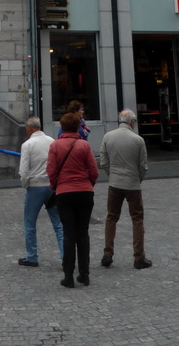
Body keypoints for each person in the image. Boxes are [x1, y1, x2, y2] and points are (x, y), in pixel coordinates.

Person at [47, 111, 99, 288]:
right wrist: (88, 184)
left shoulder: (55, 146)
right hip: (84, 191)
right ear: (77, 126)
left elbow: (51, 171)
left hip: (64, 192)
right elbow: (94, 171)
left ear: (62, 127)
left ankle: (68, 275)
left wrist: (56, 186)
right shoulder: (84, 146)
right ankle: (84, 274)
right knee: (83, 234)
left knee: (69, 234)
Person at [99, 109, 152, 270]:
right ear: (132, 122)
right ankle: (139, 256)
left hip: (114, 183)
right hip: (133, 185)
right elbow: (143, 166)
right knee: (137, 219)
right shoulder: (138, 140)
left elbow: (103, 161)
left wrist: (112, 175)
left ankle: (107, 253)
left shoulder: (108, 137)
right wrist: (138, 179)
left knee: (111, 217)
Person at [17, 116, 64, 268]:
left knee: (30, 222)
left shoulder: (27, 145)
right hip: (51, 186)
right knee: (58, 223)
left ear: (29, 128)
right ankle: (65, 256)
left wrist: (26, 184)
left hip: (35, 186)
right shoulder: (52, 141)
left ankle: (32, 256)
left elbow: (24, 171)